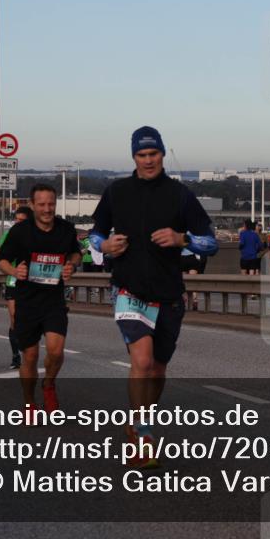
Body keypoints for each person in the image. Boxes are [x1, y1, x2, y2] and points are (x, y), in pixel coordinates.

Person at [89, 126, 217, 467]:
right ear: (134, 157)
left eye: (153, 154)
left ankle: (138, 421)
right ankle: (144, 436)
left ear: (162, 154)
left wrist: (182, 240)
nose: (148, 161)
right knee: (142, 362)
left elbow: (211, 242)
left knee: (158, 369)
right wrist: (103, 245)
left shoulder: (180, 195)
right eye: (142, 155)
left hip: (169, 292)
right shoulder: (117, 192)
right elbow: (94, 234)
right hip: (129, 289)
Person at [0, 184, 81, 415]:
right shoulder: (20, 231)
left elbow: (76, 252)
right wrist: (14, 272)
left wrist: (71, 265)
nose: (47, 209)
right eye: (42, 204)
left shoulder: (66, 229)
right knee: (31, 356)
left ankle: (49, 384)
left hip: (54, 300)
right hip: (27, 301)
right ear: (32, 205)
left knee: (55, 351)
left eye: (51, 204)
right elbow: (2, 259)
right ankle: (28, 402)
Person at [0, 205, 33, 369]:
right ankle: (16, 356)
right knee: (15, 318)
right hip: (13, 280)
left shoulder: (36, 234)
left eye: (22, 221)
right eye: (16, 220)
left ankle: (29, 352)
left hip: (33, 280)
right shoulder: (9, 234)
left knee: (30, 319)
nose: (18, 223)